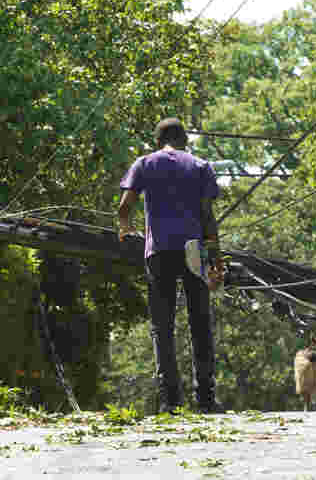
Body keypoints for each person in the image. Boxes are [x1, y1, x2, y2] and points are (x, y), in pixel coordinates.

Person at [118, 118, 224, 414]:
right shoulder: (201, 166)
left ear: (157, 140)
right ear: (184, 140)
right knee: (200, 322)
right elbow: (208, 217)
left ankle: (171, 401)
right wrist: (217, 260)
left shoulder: (144, 163)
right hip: (195, 251)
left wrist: (126, 231)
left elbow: (125, 207)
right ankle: (205, 398)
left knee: (162, 327)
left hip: (159, 251)